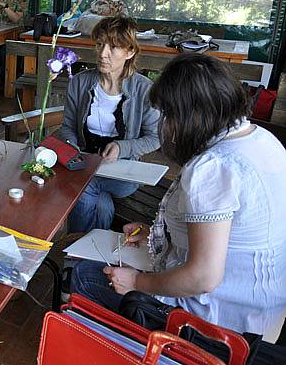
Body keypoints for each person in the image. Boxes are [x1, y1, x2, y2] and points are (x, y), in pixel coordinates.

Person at [71, 54, 286, 340]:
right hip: (264, 311)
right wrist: (159, 235)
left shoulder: (212, 168)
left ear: (191, 114)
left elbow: (203, 277)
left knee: (84, 275)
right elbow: (231, 235)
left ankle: (130, 349)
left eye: (168, 115)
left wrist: (137, 281)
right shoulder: (263, 140)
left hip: (222, 326)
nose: (166, 124)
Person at [57, 16, 160, 233]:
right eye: (99, 44)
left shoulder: (144, 89)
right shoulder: (80, 82)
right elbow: (67, 127)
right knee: (100, 202)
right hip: (83, 163)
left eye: (113, 47)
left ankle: (75, 245)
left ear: (130, 52)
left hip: (123, 173)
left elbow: (155, 137)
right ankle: (94, 247)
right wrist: (72, 148)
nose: (103, 53)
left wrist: (122, 148)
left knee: (84, 187)